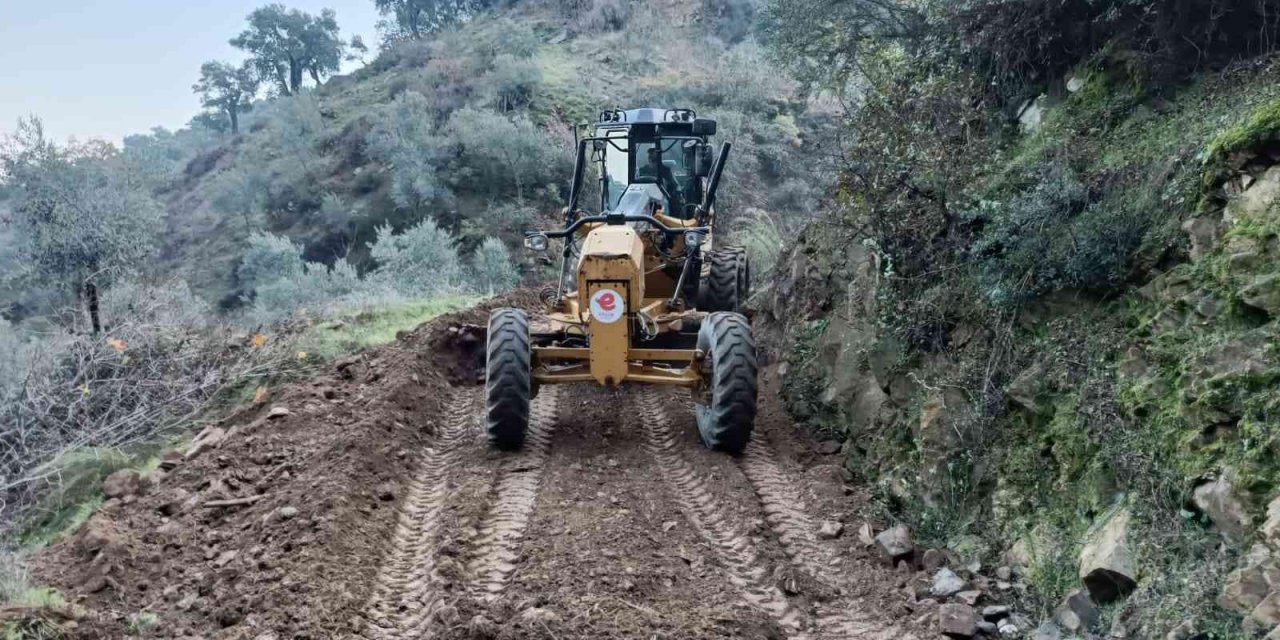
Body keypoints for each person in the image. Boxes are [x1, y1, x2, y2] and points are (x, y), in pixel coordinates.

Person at [637, 146, 684, 215]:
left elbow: (675, 186)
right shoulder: (642, 171)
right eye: (650, 157)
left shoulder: (666, 171)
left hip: (662, 198)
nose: (651, 160)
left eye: (654, 159)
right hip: (645, 199)